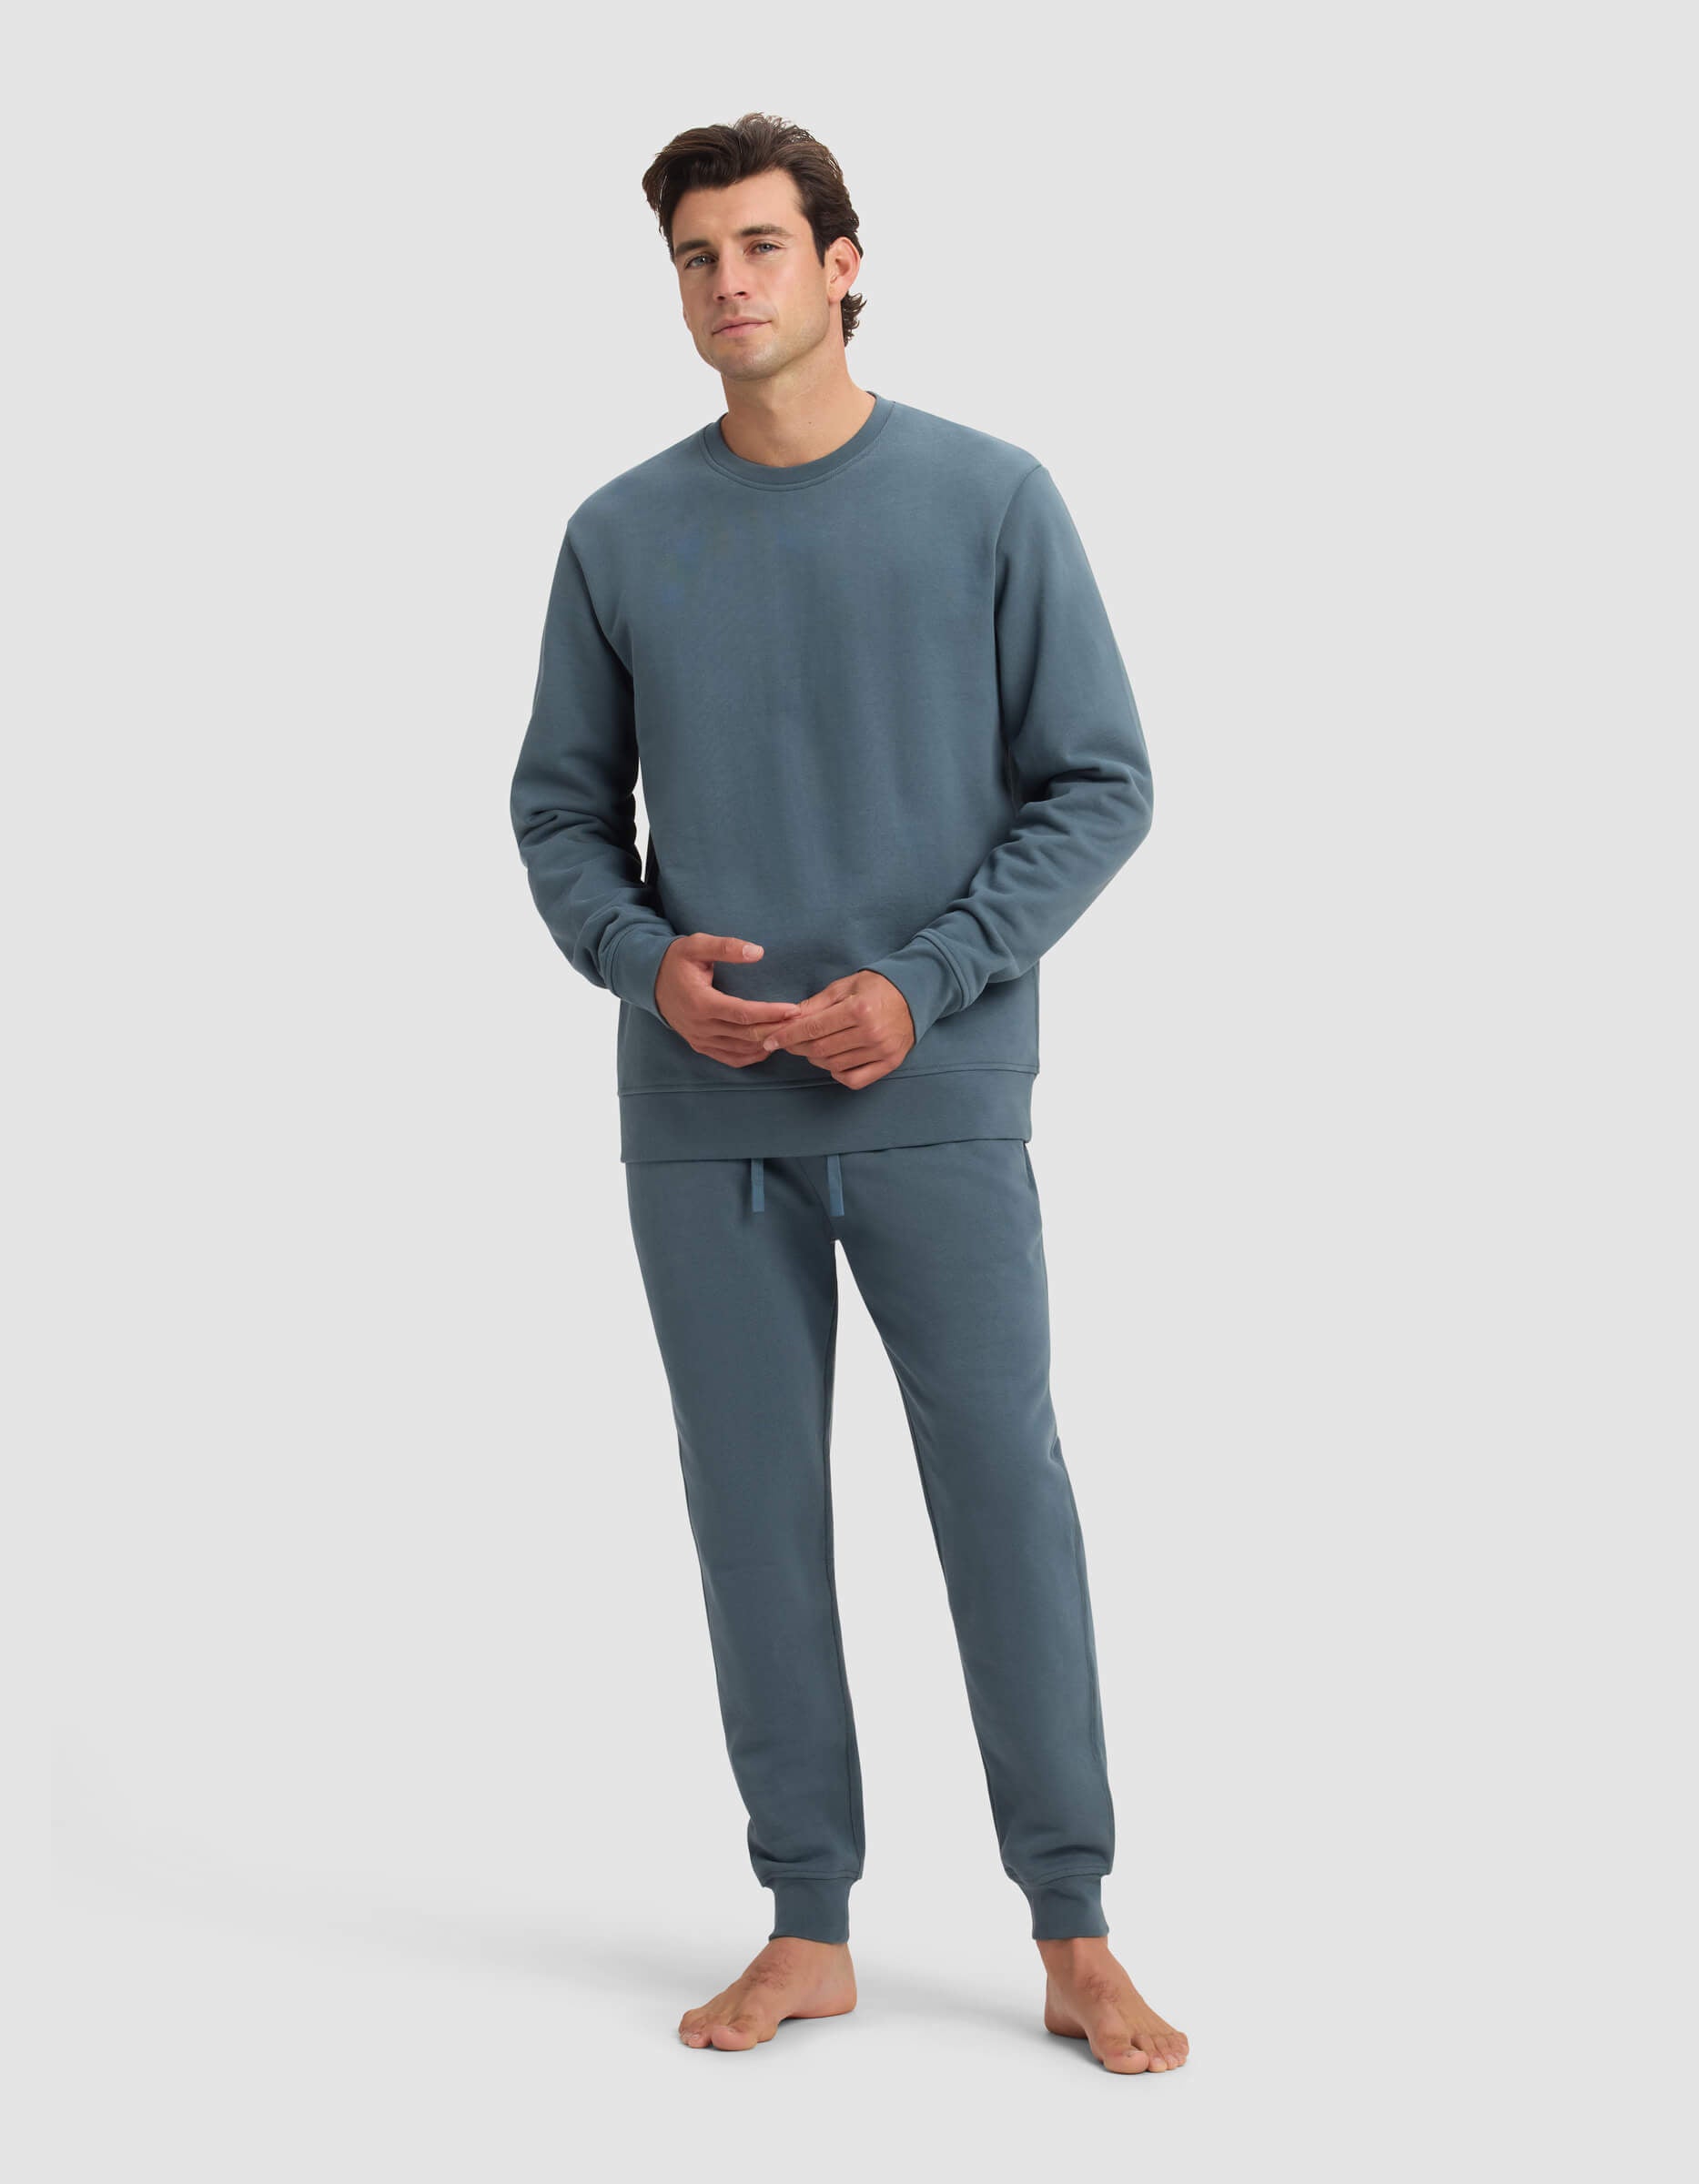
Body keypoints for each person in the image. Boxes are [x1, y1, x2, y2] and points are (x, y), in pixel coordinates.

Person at [509, 111, 1188, 2076]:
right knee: (752, 1517)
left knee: (1002, 1499)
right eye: (695, 256)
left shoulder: (989, 500)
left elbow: (1101, 783)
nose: (727, 282)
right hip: (702, 1113)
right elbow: (560, 811)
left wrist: (925, 980)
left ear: (842, 263)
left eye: (759, 245)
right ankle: (806, 1923)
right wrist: (645, 964)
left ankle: (1073, 1929)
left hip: (935, 1095)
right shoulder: (619, 534)